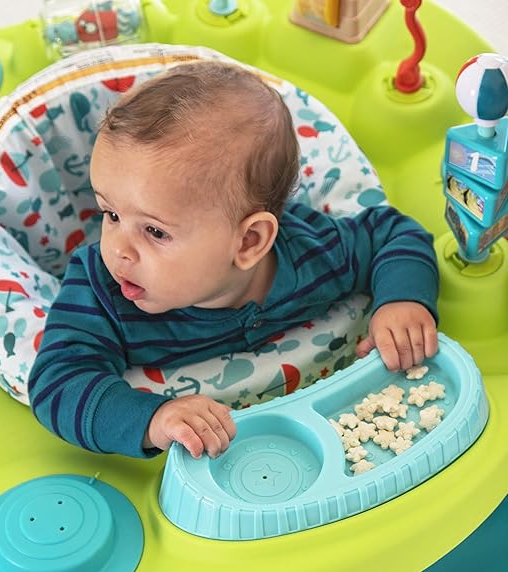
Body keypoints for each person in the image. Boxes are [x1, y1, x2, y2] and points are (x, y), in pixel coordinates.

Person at [28, 60, 439, 461]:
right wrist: (153, 419)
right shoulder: (100, 291)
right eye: (111, 214)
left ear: (249, 242)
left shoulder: (315, 253)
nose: (119, 249)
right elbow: (57, 384)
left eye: (155, 231)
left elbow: (392, 234)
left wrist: (402, 301)